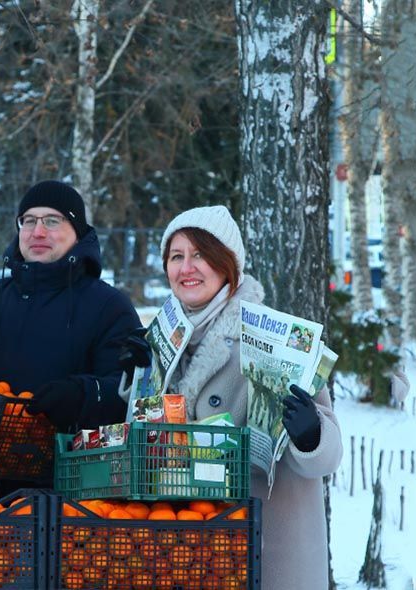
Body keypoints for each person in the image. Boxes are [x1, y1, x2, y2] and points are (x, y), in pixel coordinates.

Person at [119, 205, 342, 590]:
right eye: (176, 257)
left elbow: (328, 457)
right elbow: (146, 447)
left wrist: (310, 434)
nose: (186, 267)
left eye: (200, 254)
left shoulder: (273, 340)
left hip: (270, 551)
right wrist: (136, 378)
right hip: (193, 550)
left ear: (228, 264)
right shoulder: (162, 341)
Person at [0, 180, 142, 492]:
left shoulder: (109, 306)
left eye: (52, 220)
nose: (38, 232)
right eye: (28, 221)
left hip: (72, 492)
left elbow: (131, 393)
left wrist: (82, 394)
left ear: (78, 232)